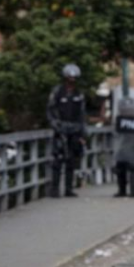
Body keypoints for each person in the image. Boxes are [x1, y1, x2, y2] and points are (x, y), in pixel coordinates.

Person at [47, 63, 87, 198]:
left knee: (71, 160)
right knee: (57, 159)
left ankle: (69, 189)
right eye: (70, 79)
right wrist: (55, 125)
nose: (72, 82)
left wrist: (82, 133)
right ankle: (55, 190)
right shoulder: (57, 92)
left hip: (74, 130)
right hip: (60, 129)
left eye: (74, 79)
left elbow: (82, 114)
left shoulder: (79, 94)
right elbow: (50, 110)